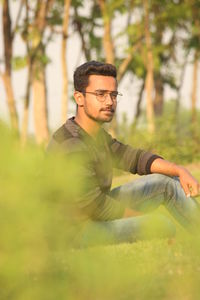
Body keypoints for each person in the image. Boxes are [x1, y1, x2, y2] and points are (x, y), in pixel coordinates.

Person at [47, 61, 200, 247]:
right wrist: (144, 219)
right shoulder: (70, 143)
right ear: (79, 98)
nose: (109, 101)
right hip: (75, 232)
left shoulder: (96, 136)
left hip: (94, 215)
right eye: (100, 94)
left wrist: (179, 170)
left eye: (113, 94)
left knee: (166, 182)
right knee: (160, 225)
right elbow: (96, 206)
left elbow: (134, 159)